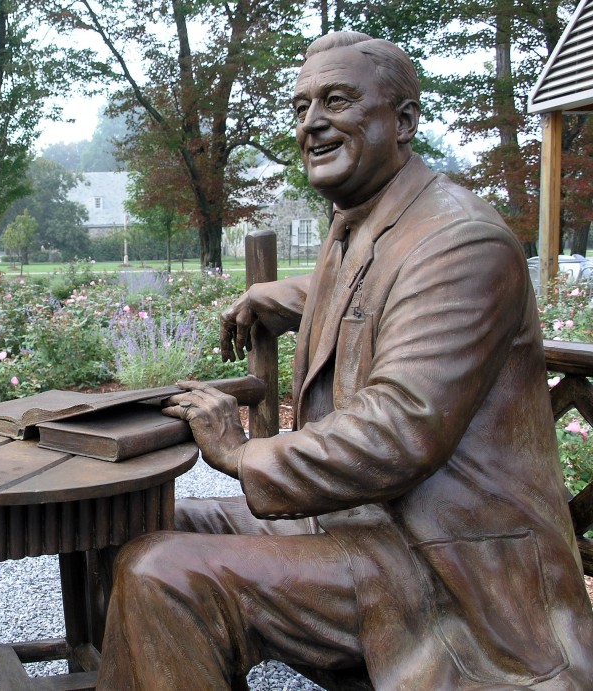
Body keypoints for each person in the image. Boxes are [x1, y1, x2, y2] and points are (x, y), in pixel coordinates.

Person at [96, 32, 593, 689]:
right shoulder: (362, 220)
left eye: (336, 101)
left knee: (164, 573)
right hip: (356, 525)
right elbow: (373, 287)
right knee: (126, 528)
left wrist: (242, 452)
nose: (312, 123)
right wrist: (276, 296)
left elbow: (401, 427)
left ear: (404, 121)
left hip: (440, 563)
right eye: (301, 108)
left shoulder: (462, 241)